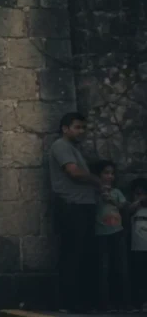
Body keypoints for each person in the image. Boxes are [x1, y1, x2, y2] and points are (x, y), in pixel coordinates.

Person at [46, 112, 100, 313]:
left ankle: (81, 302)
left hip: (81, 205)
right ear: (65, 128)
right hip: (72, 206)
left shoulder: (72, 148)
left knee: (83, 254)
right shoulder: (61, 146)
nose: (81, 131)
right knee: (73, 254)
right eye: (77, 127)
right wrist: (98, 181)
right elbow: (73, 172)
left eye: (83, 128)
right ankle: (70, 303)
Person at [90, 160, 130, 311]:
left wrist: (112, 199)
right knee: (103, 269)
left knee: (122, 268)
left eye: (112, 173)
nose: (110, 176)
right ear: (99, 175)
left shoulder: (116, 192)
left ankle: (124, 302)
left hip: (117, 232)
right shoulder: (93, 192)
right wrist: (100, 194)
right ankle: (104, 303)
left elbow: (123, 207)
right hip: (102, 234)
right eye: (106, 173)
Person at [129, 178, 147, 311]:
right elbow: (128, 210)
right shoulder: (133, 209)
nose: (141, 197)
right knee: (139, 275)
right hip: (137, 248)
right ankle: (138, 302)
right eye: (138, 194)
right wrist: (138, 202)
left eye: (143, 194)